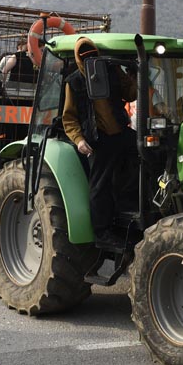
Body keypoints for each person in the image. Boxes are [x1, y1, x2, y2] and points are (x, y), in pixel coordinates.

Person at [61, 37, 137, 249]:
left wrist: (134, 76)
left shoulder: (112, 71)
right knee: (99, 185)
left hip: (121, 132)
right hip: (96, 138)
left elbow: (130, 94)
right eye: (84, 56)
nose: (89, 58)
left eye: (92, 54)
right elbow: (69, 117)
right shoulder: (74, 82)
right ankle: (102, 232)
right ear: (78, 58)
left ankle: (131, 213)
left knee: (143, 155)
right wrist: (79, 140)